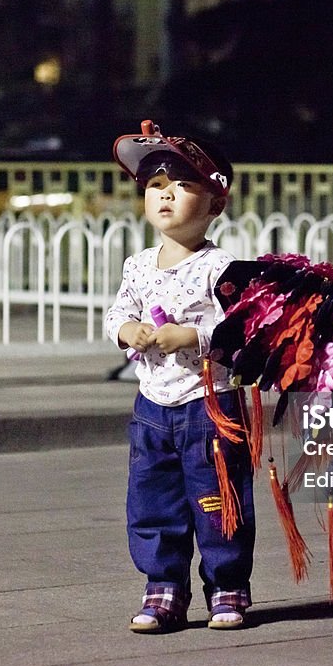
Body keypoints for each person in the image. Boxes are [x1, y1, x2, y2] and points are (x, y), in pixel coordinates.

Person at [105, 120, 255, 633]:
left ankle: (228, 585)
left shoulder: (223, 267)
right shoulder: (138, 265)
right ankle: (163, 586)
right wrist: (129, 330)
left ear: (216, 202)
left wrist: (192, 337)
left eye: (183, 185)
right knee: (152, 500)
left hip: (208, 405)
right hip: (152, 408)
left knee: (219, 499)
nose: (165, 195)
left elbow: (240, 326)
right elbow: (116, 313)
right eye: (154, 187)